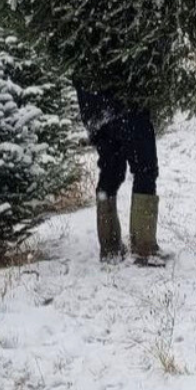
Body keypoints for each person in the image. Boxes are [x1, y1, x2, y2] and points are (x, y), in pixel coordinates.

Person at [76, 86, 166, 266]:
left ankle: (110, 247)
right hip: (126, 104)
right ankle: (144, 248)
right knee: (145, 168)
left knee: (111, 170)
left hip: (95, 111)